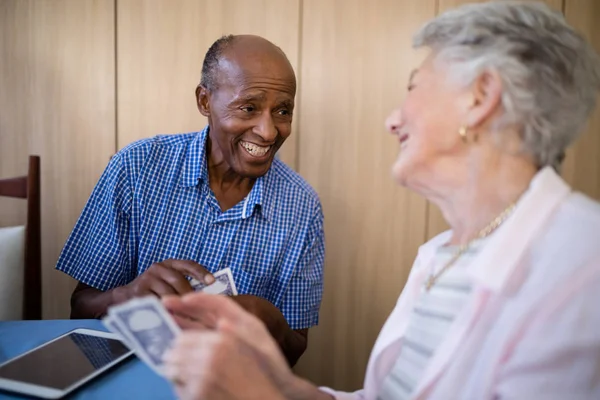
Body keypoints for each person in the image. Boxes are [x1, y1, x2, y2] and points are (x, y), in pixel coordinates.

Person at [159, 2, 600, 399]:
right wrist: (284, 385)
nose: (393, 120)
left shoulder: (582, 265)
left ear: (479, 98)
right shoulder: (440, 255)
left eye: (415, 87)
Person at [55, 35, 325, 366]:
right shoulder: (137, 168)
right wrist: (127, 295)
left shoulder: (302, 206)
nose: (268, 132)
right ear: (204, 101)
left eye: (282, 111)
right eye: (249, 108)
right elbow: (79, 308)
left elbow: (294, 349)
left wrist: (267, 318)